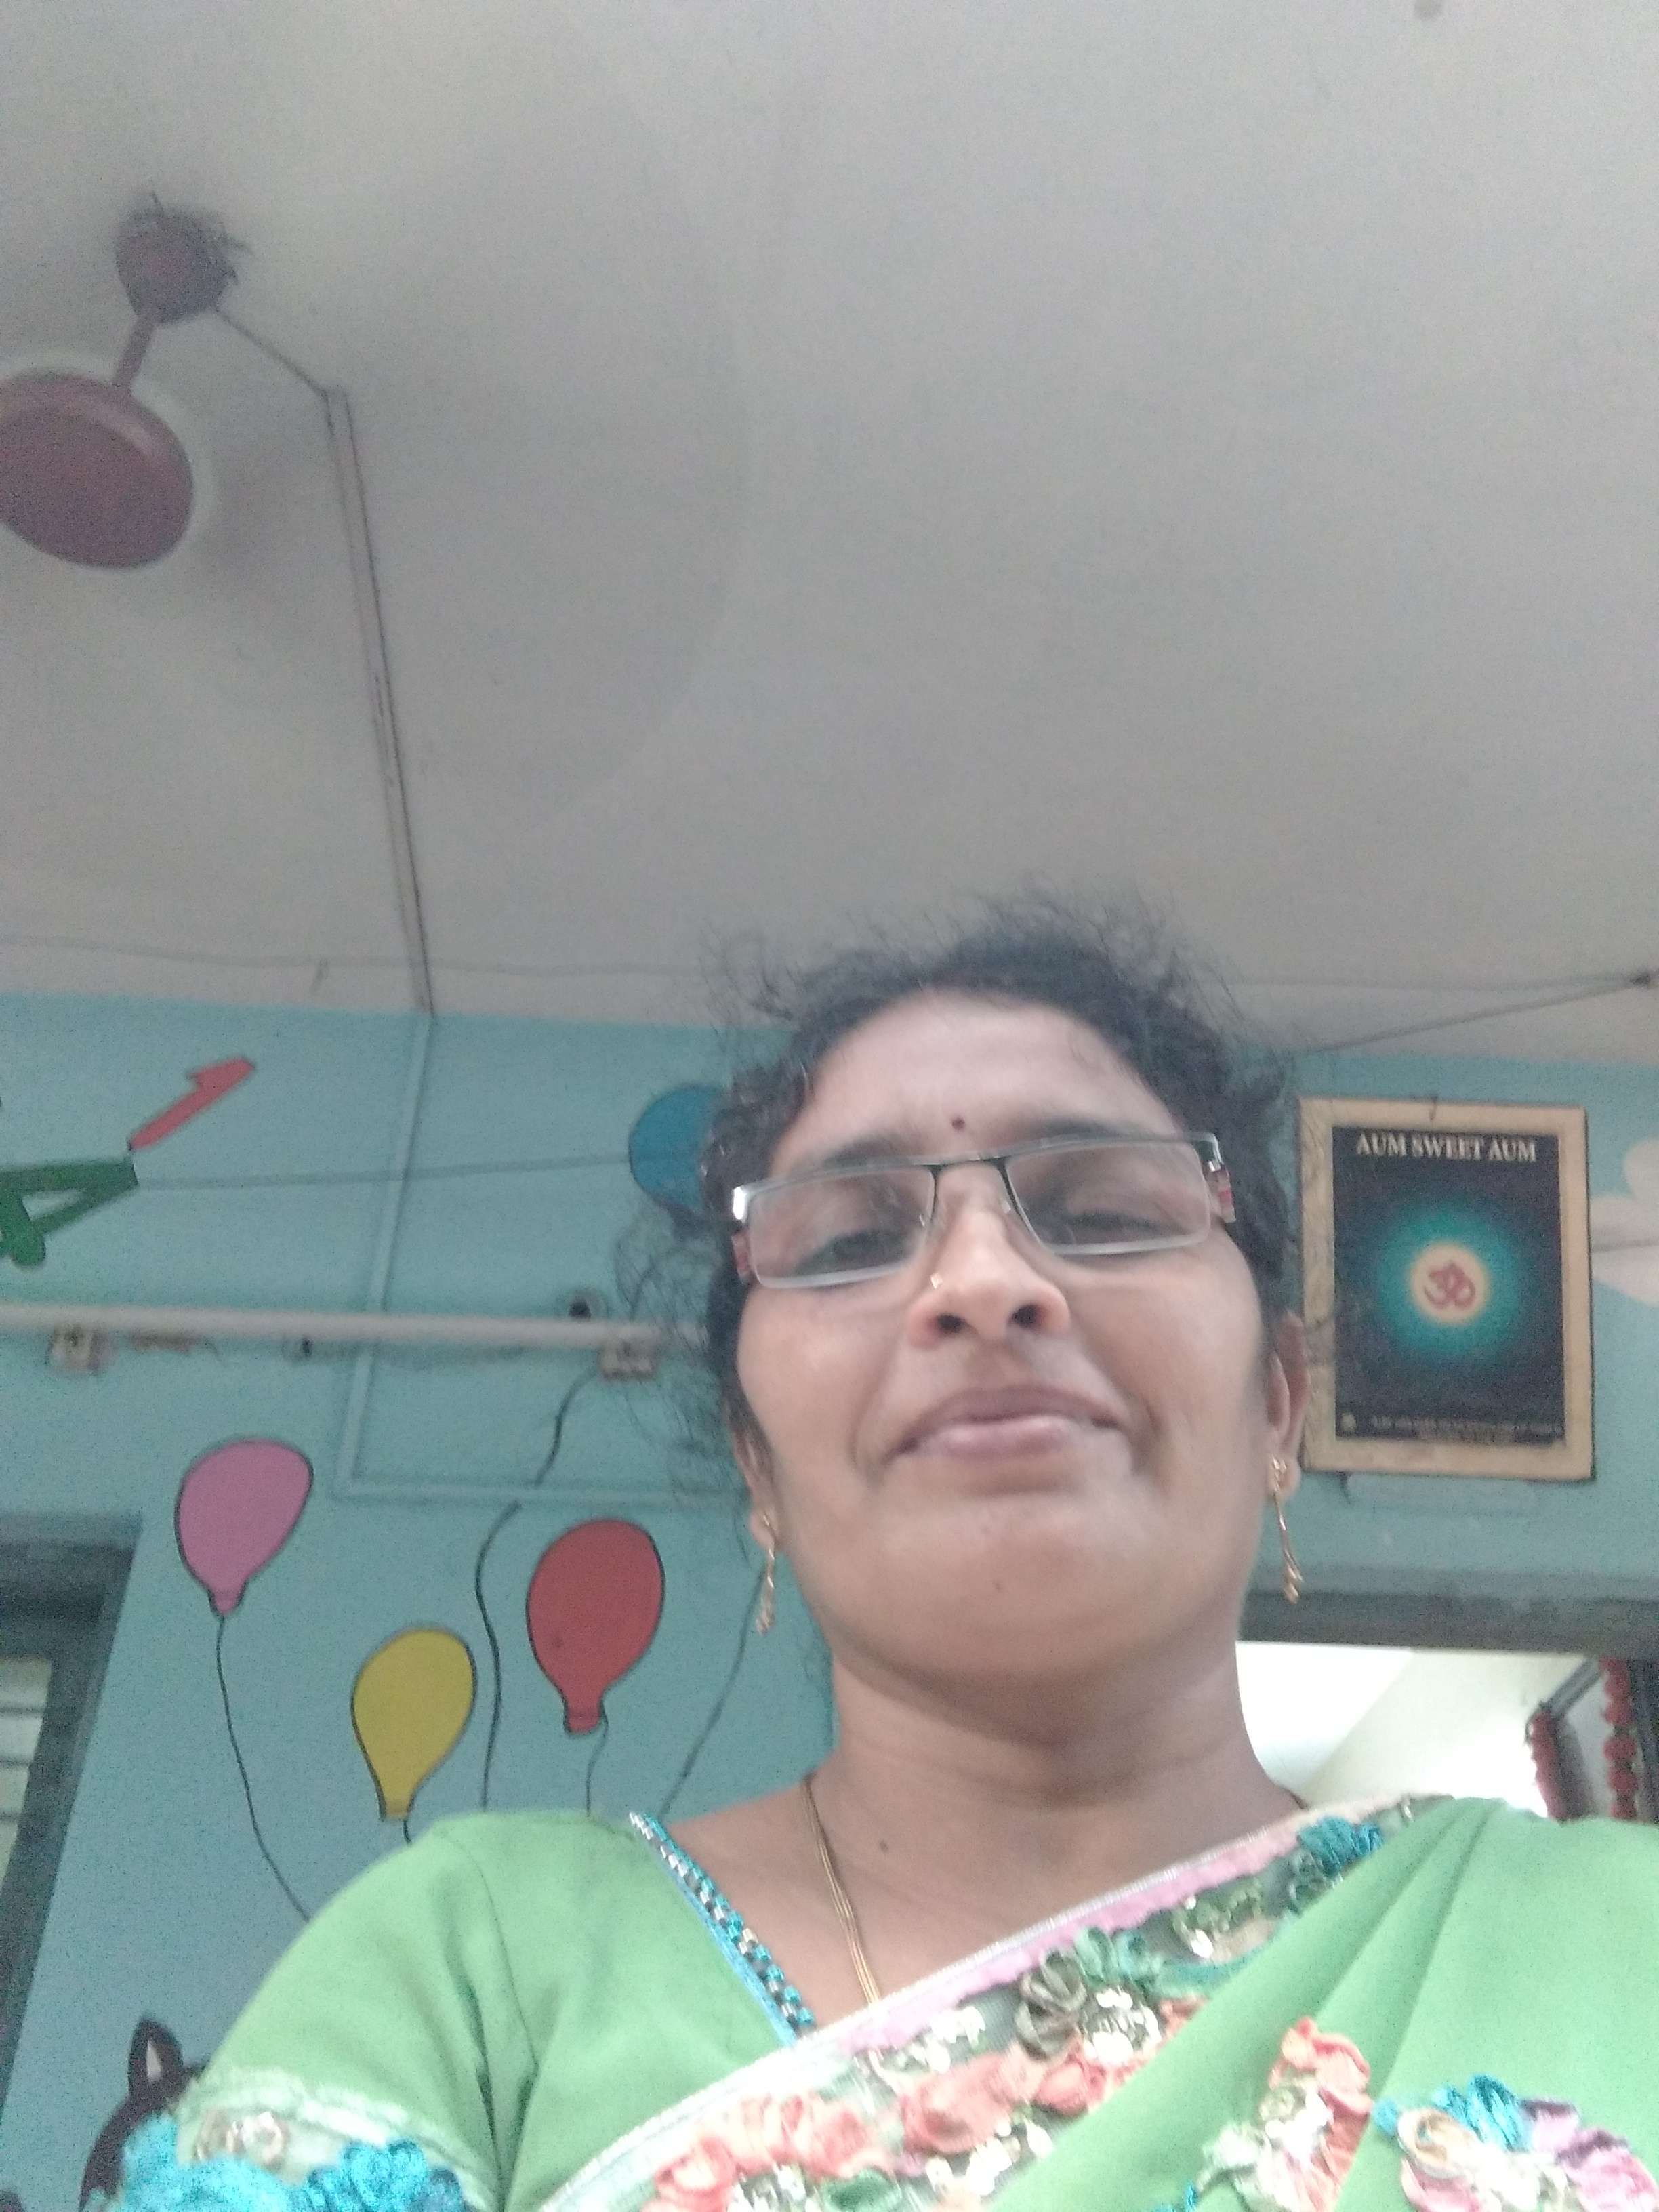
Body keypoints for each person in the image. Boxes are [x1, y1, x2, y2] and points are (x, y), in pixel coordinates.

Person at [115, 906, 1657, 2212]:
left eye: (1102, 1210)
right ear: (756, 1465)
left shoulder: (1616, 1943)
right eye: (853, 1241)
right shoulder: (472, 1966)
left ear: (1279, 1401)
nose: (982, 1282)